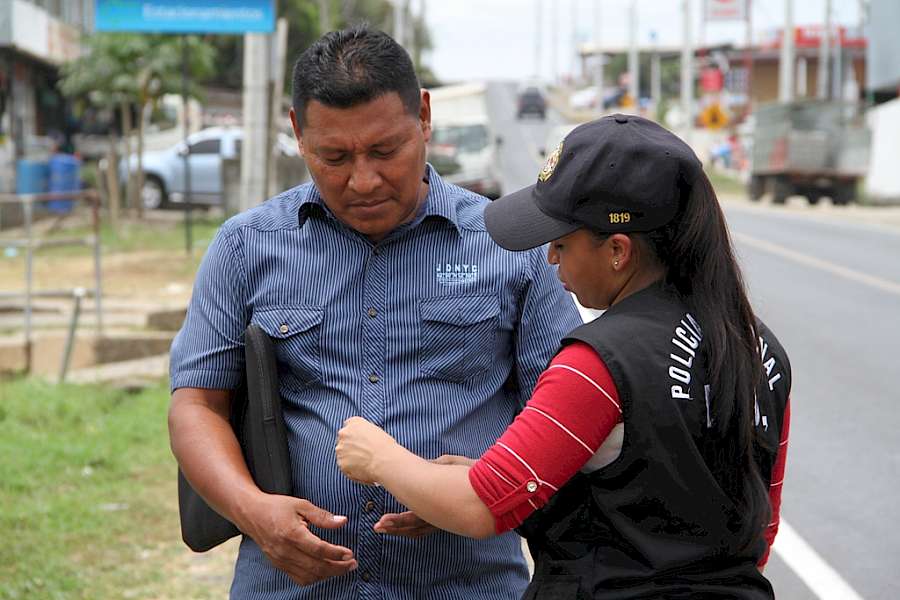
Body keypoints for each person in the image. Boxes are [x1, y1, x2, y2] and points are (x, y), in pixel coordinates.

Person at [167, 26, 582, 600]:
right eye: (333, 157)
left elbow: (565, 416)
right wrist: (254, 510)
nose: (362, 180)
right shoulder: (246, 247)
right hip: (289, 587)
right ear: (297, 133)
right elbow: (196, 404)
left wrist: (479, 489)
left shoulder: (511, 249)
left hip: (468, 584)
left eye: (386, 151)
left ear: (424, 118)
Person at [336, 114, 792, 599]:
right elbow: (760, 526)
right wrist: (451, 480)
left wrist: (381, 458)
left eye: (561, 243)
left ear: (618, 250)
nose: (551, 259)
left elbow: (483, 507)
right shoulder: (759, 348)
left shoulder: (599, 363)